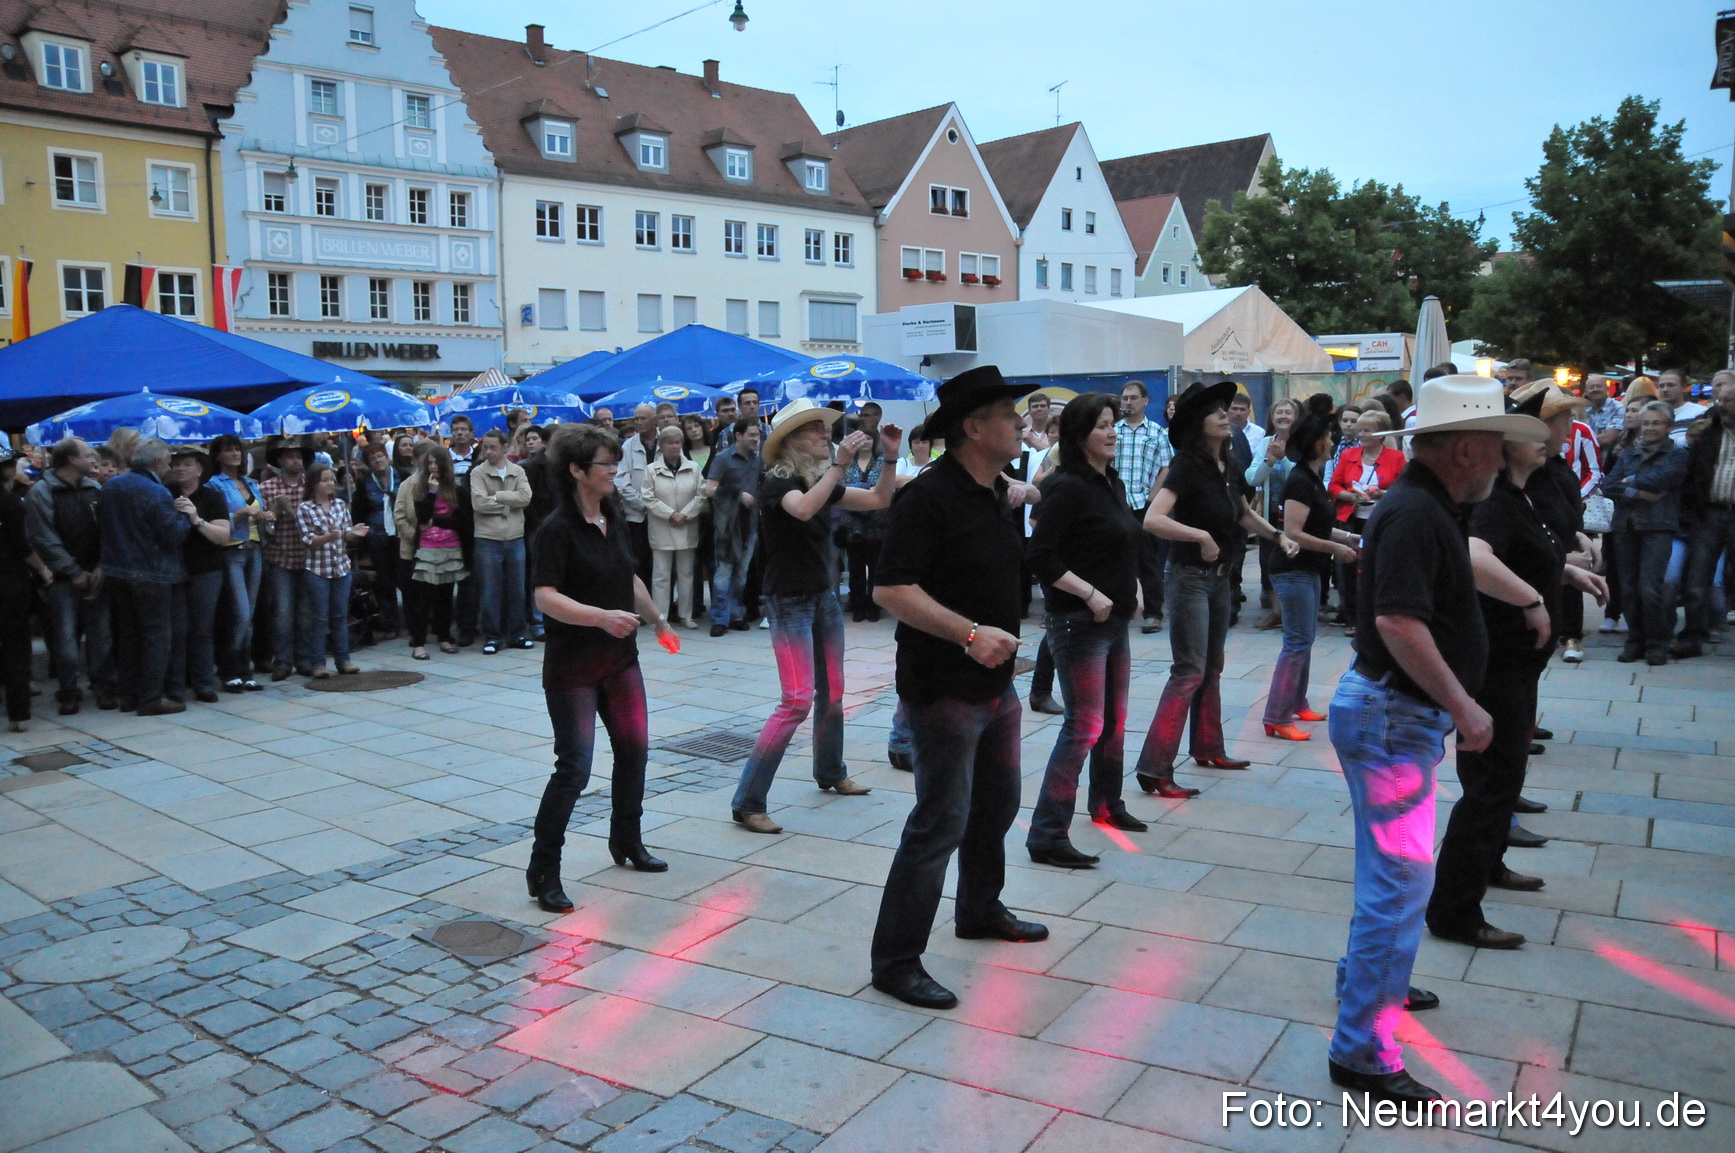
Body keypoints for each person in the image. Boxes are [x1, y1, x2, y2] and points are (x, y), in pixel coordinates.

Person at [1325, 374, 1545, 1104]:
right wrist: (1465, 704)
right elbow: (1397, 622)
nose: (1499, 460)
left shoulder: (1431, 505)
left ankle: (1366, 981)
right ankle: (1362, 1052)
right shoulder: (1417, 511)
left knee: (1387, 880)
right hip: (1393, 716)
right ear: (1462, 450)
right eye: (1493, 446)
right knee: (1399, 885)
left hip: (1392, 715)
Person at [869, 366, 1050, 1010]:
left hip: (995, 686)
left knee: (997, 804)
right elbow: (890, 589)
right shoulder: (929, 497)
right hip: (944, 686)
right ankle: (895, 960)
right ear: (973, 428)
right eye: (1007, 413)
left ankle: (979, 909)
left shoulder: (993, 491)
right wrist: (971, 634)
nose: (1020, 421)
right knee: (938, 820)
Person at [1426, 387, 1606, 954]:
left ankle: (1487, 866)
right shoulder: (1497, 500)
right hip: (1497, 662)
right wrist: (1532, 599)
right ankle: (1455, 908)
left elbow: (1525, 553)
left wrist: (1563, 575)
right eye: (1543, 429)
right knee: (1489, 783)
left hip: (1515, 665)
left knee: (1502, 778)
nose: (1552, 437)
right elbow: (1478, 557)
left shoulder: (1526, 493)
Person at [730, 399, 902, 834]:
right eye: (816, 432)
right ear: (791, 441)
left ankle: (830, 772)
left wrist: (891, 456)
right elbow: (803, 508)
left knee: (835, 692)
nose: (826, 436)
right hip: (787, 599)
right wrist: (840, 465)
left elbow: (880, 498)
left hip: (822, 595)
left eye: (826, 431)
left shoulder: (817, 478)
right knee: (796, 700)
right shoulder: (778, 478)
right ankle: (748, 801)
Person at [527, 424, 679, 911]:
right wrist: (600, 617)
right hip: (574, 666)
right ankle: (543, 869)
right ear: (576, 470)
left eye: (615, 462)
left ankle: (627, 841)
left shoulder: (612, 514)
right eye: (605, 464)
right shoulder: (556, 530)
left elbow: (625, 574)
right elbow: (545, 596)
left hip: (620, 660)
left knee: (635, 751)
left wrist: (657, 620)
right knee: (574, 769)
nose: (615, 470)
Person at [1131, 381, 1295, 798]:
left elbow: (1240, 511)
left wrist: (1277, 535)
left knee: (1212, 668)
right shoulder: (1186, 464)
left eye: (1227, 410)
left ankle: (1208, 748)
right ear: (1196, 424)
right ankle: (1154, 768)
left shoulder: (1227, 461)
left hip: (1221, 579)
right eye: (1216, 412)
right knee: (1188, 671)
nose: (1226, 415)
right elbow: (1154, 519)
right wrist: (1200, 536)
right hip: (1188, 579)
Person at [1023, 394, 1149, 869]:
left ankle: (1107, 804)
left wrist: (1132, 586)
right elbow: (1040, 556)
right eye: (1102, 425)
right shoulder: (1067, 486)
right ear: (1079, 435)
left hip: (1112, 620)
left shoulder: (1109, 481)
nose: (1113, 431)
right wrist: (1091, 594)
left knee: (1113, 722)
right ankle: (1047, 833)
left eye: (1114, 423)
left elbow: (1123, 542)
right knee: (1083, 726)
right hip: (1079, 623)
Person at [1261, 413, 1357, 741]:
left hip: (1309, 569)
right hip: (1293, 569)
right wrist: (1335, 547)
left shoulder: (1312, 477)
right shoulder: (1300, 480)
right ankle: (1276, 715)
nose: (1332, 442)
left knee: (1304, 639)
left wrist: (1347, 539)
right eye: (1328, 437)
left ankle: (1297, 702)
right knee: (1297, 642)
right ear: (1316, 443)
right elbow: (1294, 532)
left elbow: (1314, 525)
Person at [101, 438, 190, 715]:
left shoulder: (112, 486)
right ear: (155, 463)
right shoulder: (156, 492)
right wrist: (186, 516)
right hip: (152, 573)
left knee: (128, 634)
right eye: (167, 461)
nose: (169, 467)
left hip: (117, 570)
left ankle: (128, 693)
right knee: (156, 635)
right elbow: (173, 534)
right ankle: (151, 698)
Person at [25, 437, 114, 713]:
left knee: (101, 634)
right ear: (72, 459)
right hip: (64, 579)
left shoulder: (94, 487)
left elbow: (107, 530)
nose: (94, 460)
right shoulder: (42, 492)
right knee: (65, 637)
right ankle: (69, 690)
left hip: (96, 574)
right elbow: (43, 537)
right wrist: (72, 570)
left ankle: (103, 687)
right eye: (88, 455)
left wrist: (101, 563)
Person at [1603, 401, 1688, 665]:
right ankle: (1635, 641)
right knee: (1628, 589)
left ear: (1668, 427)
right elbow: (1608, 485)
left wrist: (1630, 482)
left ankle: (1657, 643)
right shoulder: (1629, 454)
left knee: (1650, 589)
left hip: (1657, 526)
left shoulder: (1677, 455)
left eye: (1656, 423)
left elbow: (1664, 480)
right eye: (1647, 423)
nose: (1649, 428)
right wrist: (1639, 492)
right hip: (1625, 527)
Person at [1328, 410, 1405, 636]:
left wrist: (1383, 494)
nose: (1361, 434)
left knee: (1379, 569)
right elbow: (1333, 486)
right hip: (1352, 519)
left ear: (1381, 434)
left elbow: (1404, 489)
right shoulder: (1348, 455)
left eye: (1366, 430)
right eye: (1360, 430)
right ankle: (1352, 618)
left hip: (1382, 520)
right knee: (1348, 569)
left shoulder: (1396, 458)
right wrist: (1351, 497)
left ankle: (1377, 617)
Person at [167, 448, 232, 703]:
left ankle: (204, 683)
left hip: (206, 570)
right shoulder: (165, 495)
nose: (180, 469)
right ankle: (176, 685)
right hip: (173, 570)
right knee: (177, 629)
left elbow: (223, 536)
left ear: (199, 469)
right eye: (176, 464)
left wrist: (196, 518)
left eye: (186, 464)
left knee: (202, 629)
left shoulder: (212, 497)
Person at [396, 441, 471, 661]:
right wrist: (432, 493)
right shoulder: (420, 488)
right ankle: (419, 643)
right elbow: (422, 517)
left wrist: (437, 520)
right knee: (423, 597)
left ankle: (444, 636)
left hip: (451, 548)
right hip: (427, 549)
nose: (433, 467)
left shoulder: (457, 490)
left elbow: (461, 520)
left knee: (445, 596)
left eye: (437, 463)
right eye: (429, 463)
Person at [1679, 375, 1735, 658]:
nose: (1723, 406)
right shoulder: (1710, 432)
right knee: (1698, 579)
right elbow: (1692, 473)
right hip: (1710, 513)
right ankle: (1693, 637)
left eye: (1729, 401)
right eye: (1720, 401)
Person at [294, 463, 367, 677]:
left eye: (332, 479)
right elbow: (307, 539)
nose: (330, 483)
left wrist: (353, 533)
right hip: (317, 568)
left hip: (341, 567)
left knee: (340, 615)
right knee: (319, 617)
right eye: (325, 479)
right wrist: (328, 537)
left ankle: (343, 660)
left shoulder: (340, 505)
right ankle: (318, 663)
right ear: (314, 483)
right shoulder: (305, 508)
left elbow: (345, 533)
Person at [208, 435, 268, 690]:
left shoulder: (251, 483)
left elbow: (260, 516)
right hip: (231, 551)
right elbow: (215, 521)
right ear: (218, 456)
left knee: (250, 613)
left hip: (255, 549)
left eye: (237, 450)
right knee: (240, 613)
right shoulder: (214, 485)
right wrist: (241, 513)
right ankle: (228, 665)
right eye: (229, 450)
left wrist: (268, 515)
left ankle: (245, 668)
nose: (235, 454)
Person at [1115, 380, 1172, 635]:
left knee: (1148, 561)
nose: (1128, 402)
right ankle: (1121, 609)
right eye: (1125, 398)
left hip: (1143, 504)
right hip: (1116, 503)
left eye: (1133, 398)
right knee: (1116, 560)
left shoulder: (1157, 432)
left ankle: (1153, 613)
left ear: (1145, 401)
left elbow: (1167, 466)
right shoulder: (1114, 431)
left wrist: (1154, 495)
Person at [470, 429, 534, 654]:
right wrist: (509, 501)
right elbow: (479, 504)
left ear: (505, 447)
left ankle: (516, 634)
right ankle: (492, 637)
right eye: (485, 447)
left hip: (515, 537)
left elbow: (526, 498)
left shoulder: (518, 471)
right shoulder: (478, 473)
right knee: (490, 589)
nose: (488, 451)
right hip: (488, 538)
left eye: (492, 447)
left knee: (517, 588)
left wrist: (497, 496)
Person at [0, 456, 51, 730]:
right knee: (15, 647)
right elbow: (22, 546)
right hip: (10, 583)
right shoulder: (10, 504)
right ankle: (18, 714)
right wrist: (43, 570)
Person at [644, 425, 706, 629]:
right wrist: (670, 514)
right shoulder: (651, 470)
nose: (674, 446)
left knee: (686, 574)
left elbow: (701, 494)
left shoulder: (694, 468)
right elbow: (648, 497)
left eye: (678, 442)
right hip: (662, 527)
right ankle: (660, 617)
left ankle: (686, 615)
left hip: (687, 527)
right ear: (661, 445)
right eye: (670, 442)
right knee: (661, 575)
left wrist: (685, 514)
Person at [260, 439, 311, 679]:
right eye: (290, 456)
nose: (296, 460)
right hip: (280, 556)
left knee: (305, 611)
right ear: (280, 460)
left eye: (298, 456)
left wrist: (293, 513)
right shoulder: (267, 488)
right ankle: (282, 661)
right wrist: (276, 514)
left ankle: (304, 659)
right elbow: (264, 529)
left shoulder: (311, 486)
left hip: (308, 557)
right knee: (282, 612)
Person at [706, 420, 763, 636]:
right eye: (752, 435)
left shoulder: (757, 460)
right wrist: (738, 495)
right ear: (738, 435)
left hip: (749, 525)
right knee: (723, 573)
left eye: (757, 435)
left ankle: (736, 615)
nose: (756, 439)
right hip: (727, 526)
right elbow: (709, 489)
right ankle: (719, 619)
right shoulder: (722, 459)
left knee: (741, 574)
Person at [1248, 398, 1301, 629]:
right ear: (1271, 418)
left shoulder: (1302, 443)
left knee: (1296, 563)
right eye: (1278, 412)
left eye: (1288, 412)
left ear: (1296, 417)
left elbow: (1304, 478)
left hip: (1298, 516)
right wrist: (1269, 461)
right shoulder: (1265, 443)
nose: (1283, 416)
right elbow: (1251, 478)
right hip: (1270, 515)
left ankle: (1296, 612)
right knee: (1269, 563)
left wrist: (1285, 459)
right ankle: (1276, 613)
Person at [351, 441, 404, 641]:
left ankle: (412, 622)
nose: (378, 460)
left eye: (380, 456)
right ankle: (390, 623)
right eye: (373, 459)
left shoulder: (401, 476)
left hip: (401, 536)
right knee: (384, 582)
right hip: (378, 537)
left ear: (387, 456)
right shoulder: (365, 484)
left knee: (406, 580)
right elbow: (359, 512)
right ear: (369, 464)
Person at [840, 423, 891, 623]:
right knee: (855, 568)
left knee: (876, 567)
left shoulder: (881, 463)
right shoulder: (848, 464)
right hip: (852, 522)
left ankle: (873, 607)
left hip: (877, 522)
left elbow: (883, 487)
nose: (865, 442)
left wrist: (860, 489)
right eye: (862, 438)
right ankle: (858, 605)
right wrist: (865, 489)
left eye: (869, 438)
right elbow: (842, 487)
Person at [616, 403, 657, 582]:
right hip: (636, 516)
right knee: (639, 562)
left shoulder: (666, 440)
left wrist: (659, 506)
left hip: (664, 514)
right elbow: (621, 481)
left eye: (643, 418)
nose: (639, 422)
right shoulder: (627, 446)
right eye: (636, 418)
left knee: (661, 566)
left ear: (654, 420)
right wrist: (643, 504)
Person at [1657, 368, 1705, 446]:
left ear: (1683, 388)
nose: (1665, 389)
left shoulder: (1699, 413)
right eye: (1661, 386)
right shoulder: (1653, 413)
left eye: (1671, 385)